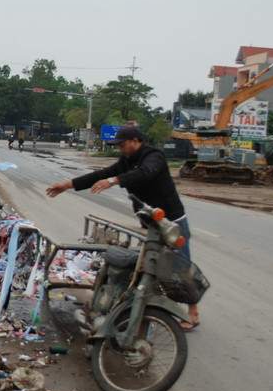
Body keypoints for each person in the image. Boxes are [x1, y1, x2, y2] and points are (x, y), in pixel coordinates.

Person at [45, 125, 201, 330]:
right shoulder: (126, 162)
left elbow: (146, 174)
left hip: (171, 221)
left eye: (123, 144)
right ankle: (144, 307)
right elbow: (100, 174)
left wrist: (114, 181)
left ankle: (193, 311)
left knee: (180, 266)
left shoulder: (154, 157)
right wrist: (67, 185)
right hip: (149, 223)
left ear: (136, 141)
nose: (121, 149)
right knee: (148, 265)